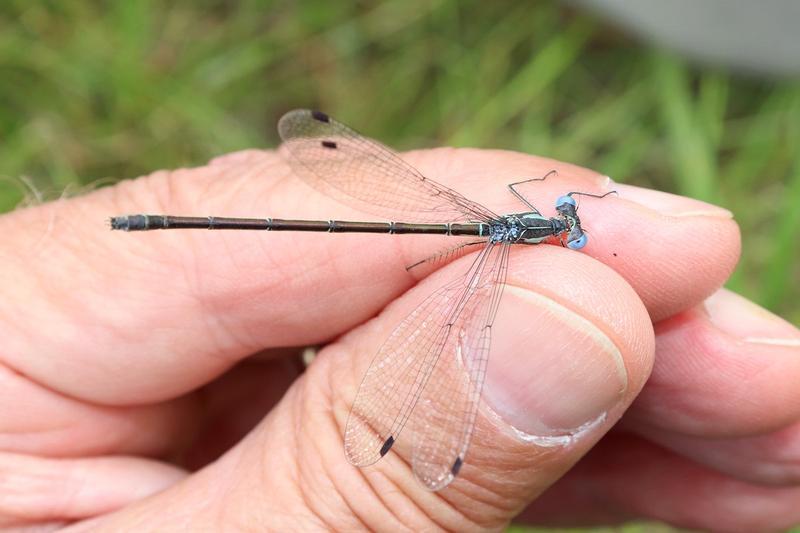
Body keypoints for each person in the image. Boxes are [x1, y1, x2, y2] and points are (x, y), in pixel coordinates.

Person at [1, 146, 798, 532]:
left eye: (567, 225)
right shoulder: (521, 243)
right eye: (565, 223)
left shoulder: (521, 234)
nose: (567, 227)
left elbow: (525, 207)